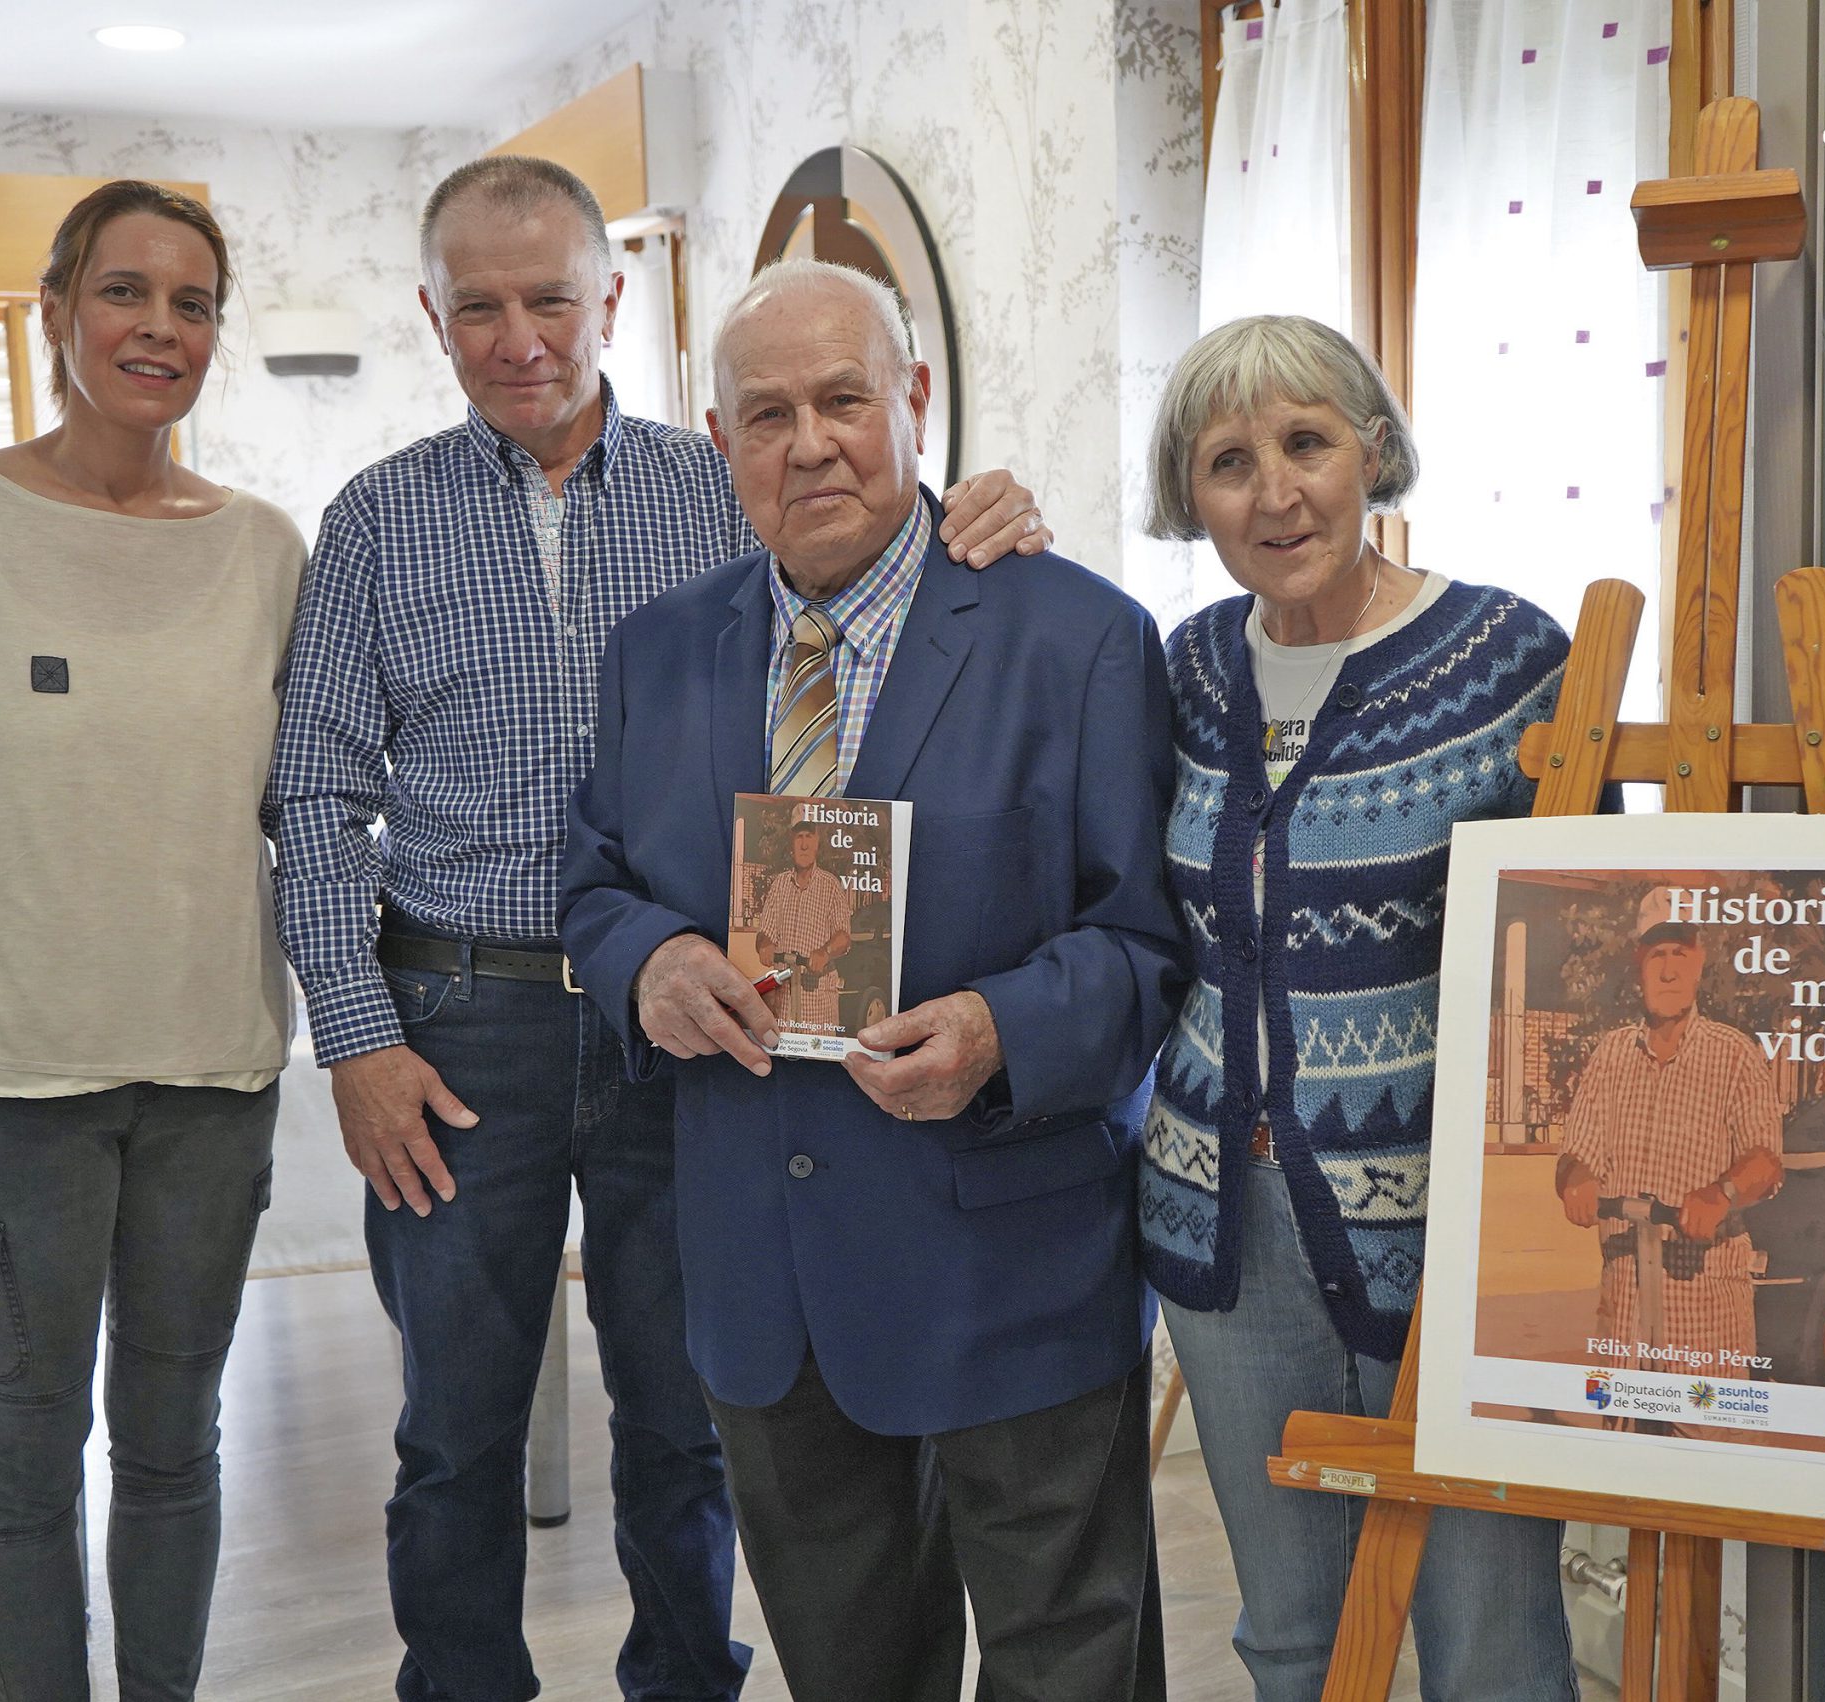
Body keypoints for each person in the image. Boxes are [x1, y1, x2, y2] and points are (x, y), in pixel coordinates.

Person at [264, 157, 1052, 1702]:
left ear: (612, 299)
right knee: (456, 1429)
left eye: (551, 299)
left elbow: (886, 596)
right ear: (432, 313)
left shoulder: (731, 485)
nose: (519, 339)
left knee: (691, 1415)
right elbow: (315, 802)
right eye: (478, 307)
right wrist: (355, 1040)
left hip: (696, 1019)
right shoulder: (374, 523)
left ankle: (687, 1681)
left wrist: (988, 509)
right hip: (458, 1029)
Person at [559, 257, 1187, 1702]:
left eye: (844, 399)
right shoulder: (658, 653)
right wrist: (648, 961)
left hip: (1012, 1262)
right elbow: (594, 886)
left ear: (914, 398)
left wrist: (1000, 1026)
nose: (811, 444)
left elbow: (1147, 944)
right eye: (767, 414)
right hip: (767, 1285)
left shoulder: (1079, 639)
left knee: (1070, 1672)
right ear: (719, 441)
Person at [0, 181, 304, 1700]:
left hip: (209, 1085)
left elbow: (297, 800)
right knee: (25, 1460)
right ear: (58, 311)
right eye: (124, 291)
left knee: (176, 1447)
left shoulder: (264, 550)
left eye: (193, 302)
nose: (160, 327)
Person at [1134, 314, 1582, 1702]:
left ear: (1373, 453)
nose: (1275, 493)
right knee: (1293, 1636)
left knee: (1489, 1638)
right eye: (1229, 462)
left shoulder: (1508, 659)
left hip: (1457, 1232)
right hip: (1217, 1218)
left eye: (1307, 444)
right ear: (1189, 493)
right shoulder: (1185, 672)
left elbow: (1586, 962)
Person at [1555, 886, 1786, 1396]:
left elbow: (1766, 1160)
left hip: (1706, 1319)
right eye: (1657, 954)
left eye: (1680, 954)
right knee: (1616, 1436)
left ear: (1699, 962)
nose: (1668, 971)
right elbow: (1575, 1154)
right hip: (1624, 1314)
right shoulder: (1611, 1054)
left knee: (1709, 1438)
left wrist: (1721, 1194)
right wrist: (1577, 1180)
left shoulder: (1735, 1055)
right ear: (1638, 962)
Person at [751, 816, 853, 1026]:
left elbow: (843, 937)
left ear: (817, 844)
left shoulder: (830, 885)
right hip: (784, 999)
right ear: (791, 844)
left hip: (818, 1000)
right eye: (799, 837)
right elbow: (764, 933)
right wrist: (765, 945)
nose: (804, 845)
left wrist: (825, 952)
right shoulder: (779, 884)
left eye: (809, 837)